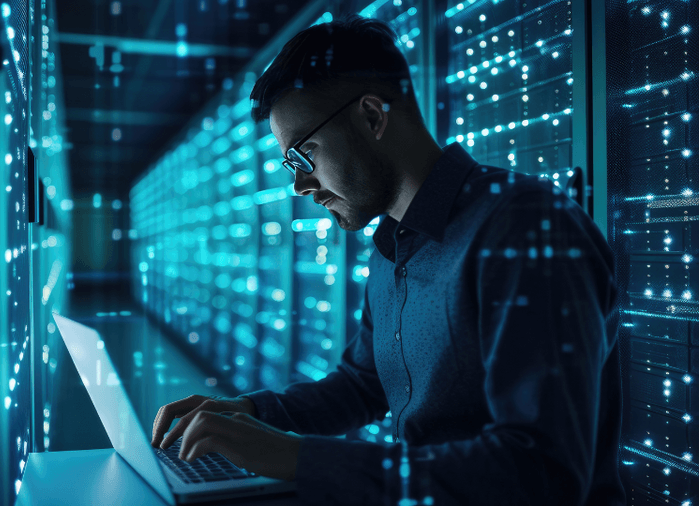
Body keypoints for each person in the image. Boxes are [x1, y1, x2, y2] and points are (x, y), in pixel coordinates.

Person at [151, 14, 625, 506]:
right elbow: (363, 384)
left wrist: (299, 458)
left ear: (373, 116)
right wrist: (247, 414)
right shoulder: (391, 247)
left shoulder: (525, 226)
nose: (300, 185)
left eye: (304, 154)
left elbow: (540, 473)